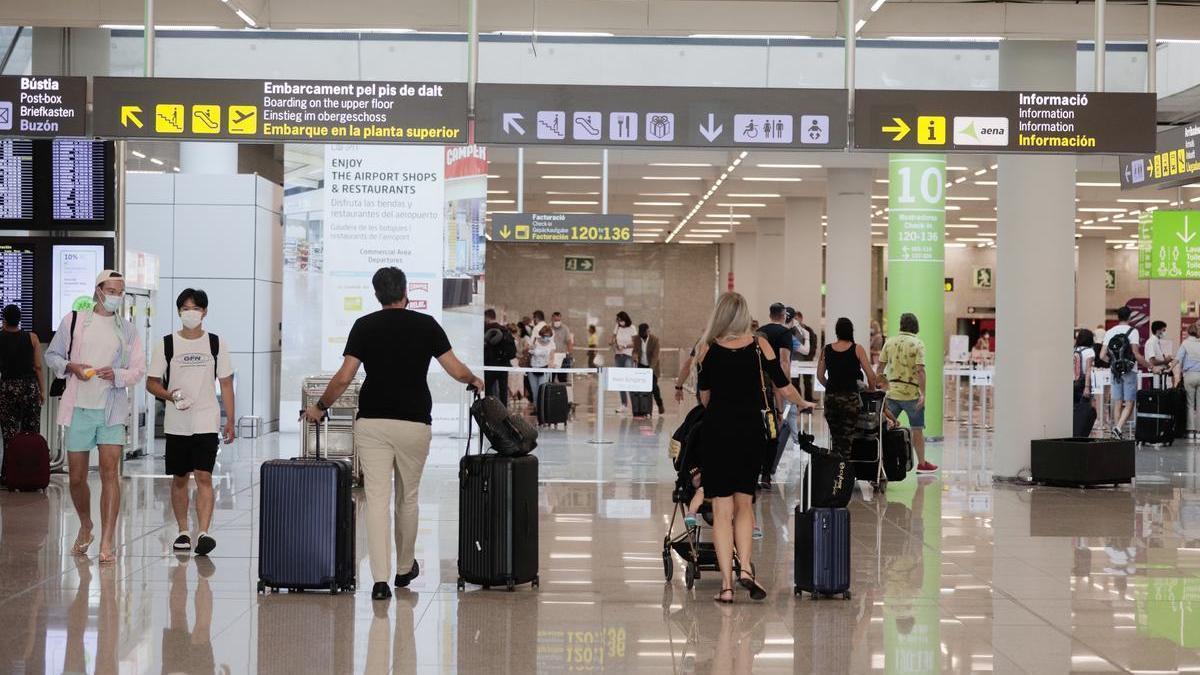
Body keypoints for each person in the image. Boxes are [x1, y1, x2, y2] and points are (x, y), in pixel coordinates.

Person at [302, 267, 483, 602]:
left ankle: (380, 580)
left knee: (376, 500)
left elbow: (344, 378)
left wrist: (321, 406)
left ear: (377, 295)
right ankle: (403, 569)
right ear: (406, 293)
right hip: (414, 423)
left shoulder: (364, 326)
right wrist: (474, 380)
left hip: (373, 423)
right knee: (408, 498)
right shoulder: (426, 325)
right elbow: (454, 368)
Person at [694, 292, 810, 603]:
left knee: (721, 509)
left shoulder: (706, 349)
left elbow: (704, 398)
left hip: (717, 431)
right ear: (745, 315)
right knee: (745, 504)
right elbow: (782, 384)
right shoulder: (761, 345)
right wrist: (804, 402)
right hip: (750, 432)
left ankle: (727, 587)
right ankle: (746, 568)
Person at [45, 270, 146, 564]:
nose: (115, 296)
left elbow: (138, 370)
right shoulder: (74, 321)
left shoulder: (127, 330)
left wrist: (116, 374)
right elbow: (52, 356)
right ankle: (86, 525)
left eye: (120, 291)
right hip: (79, 408)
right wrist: (71, 366)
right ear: (98, 290)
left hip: (111, 409)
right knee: (76, 477)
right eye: (111, 290)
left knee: (109, 473)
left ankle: (107, 541)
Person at [145, 289, 235, 557]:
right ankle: (184, 530)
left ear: (204, 311)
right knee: (180, 477)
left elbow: (226, 383)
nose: (190, 313)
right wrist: (168, 396)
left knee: (205, 476)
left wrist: (230, 419)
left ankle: (204, 532)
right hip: (176, 423)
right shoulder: (166, 344)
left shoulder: (216, 344)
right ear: (178, 312)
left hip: (206, 420)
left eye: (195, 308)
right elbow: (151, 382)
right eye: (184, 308)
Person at [876, 312, 938, 474]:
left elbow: (880, 368)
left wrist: (881, 387)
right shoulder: (918, 344)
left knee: (884, 427)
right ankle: (922, 464)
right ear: (916, 326)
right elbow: (921, 370)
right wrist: (923, 393)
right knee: (917, 429)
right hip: (912, 395)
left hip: (892, 393)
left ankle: (880, 461)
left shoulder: (889, 342)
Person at [817, 318, 878, 460]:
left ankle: (835, 472)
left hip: (831, 399)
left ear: (837, 332)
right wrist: (871, 390)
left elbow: (820, 376)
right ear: (851, 331)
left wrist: (832, 387)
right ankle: (844, 475)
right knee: (847, 440)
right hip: (850, 400)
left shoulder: (826, 350)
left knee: (836, 439)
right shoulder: (857, 349)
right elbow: (871, 375)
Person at [1100, 306, 1154, 439]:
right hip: (1130, 371)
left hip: (1115, 372)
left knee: (1117, 401)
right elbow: (1135, 354)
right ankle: (1118, 428)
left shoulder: (1110, 331)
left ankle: (1118, 431)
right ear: (1129, 317)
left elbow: (1102, 355)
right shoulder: (1133, 331)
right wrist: (1150, 366)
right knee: (1130, 402)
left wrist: (1114, 363)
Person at [0, 304, 44, 449]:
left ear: (4, 320)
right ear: (19, 320)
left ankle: (9, 470)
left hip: (7, 388)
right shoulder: (32, 338)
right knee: (31, 434)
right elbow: (38, 367)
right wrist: (42, 390)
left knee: (9, 435)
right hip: (29, 388)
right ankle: (30, 469)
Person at [483, 309, 516, 406]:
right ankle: (504, 413)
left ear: (487, 317)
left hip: (490, 364)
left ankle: (490, 410)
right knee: (503, 390)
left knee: (488, 389)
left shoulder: (485, 329)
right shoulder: (504, 330)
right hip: (503, 365)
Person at [1172, 322, 1200, 433]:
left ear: (1188, 332)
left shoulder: (1185, 343)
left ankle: (1190, 428)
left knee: (1190, 403)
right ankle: (1199, 429)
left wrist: (1170, 369)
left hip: (1190, 375)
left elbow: (1178, 358)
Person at [632, 322, 665, 415]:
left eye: (645, 333)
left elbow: (655, 356)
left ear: (648, 331)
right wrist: (634, 356)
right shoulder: (637, 339)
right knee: (644, 389)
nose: (643, 336)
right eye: (641, 334)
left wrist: (650, 369)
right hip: (641, 366)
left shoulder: (655, 340)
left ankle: (660, 404)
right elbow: (635, 350)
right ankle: (646, 411)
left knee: (653, 387)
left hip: (652, 367)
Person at [610, 311, 636, 413]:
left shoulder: (632, 328)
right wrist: (613, 343)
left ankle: (634, 404)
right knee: (620, 381)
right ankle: (623, 403)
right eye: (618, 320)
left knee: (628, 379)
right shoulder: (617, 327)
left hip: (628, 355)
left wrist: (624, 346)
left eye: (620, 320)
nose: (619, 322)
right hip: (618, 355)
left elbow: (635, 342)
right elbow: (613, 338)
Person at [528, 324, 556, 417]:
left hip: (544, 369)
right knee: (534, 391)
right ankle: (536, 408)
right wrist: (530, 350)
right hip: (533, 368)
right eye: (545, 336)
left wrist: (551, 366)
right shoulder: (535, 340)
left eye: (548, 336)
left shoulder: (552, 344)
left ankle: (542, 410)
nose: (546, 338)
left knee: (542, 391)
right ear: (541, 334)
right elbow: (528, 351)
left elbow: (552, 357)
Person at [795, 310, 819, 404]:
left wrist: (809, 356)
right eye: (794, 319)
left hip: (806, 361)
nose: (795, 321)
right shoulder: (792, 331)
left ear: (801, 318)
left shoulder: (808, 330)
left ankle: (808, 401)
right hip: (795, 361)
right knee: (795, 382)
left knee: (807, 382)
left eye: (797, 318)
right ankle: (799, 401)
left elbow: (813, 344)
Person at [550, 312, 575, 382]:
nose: (557, 322)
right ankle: (550, 392)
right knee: (551, 378)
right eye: (555, 320)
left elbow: (569, 342)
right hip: (551, 356)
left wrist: (569, 354)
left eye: (559, 320)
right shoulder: (548, 328)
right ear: (552, 319)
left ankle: (562, 392)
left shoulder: (565, 328)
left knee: (562, 378)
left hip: (562, 356)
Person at [1073, 328, 1096, 404]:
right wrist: (1087, 387)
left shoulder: (1074, 349)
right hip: (1082, 383)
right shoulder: (1090, 351)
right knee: (1083, 408)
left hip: (1073, 381)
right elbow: (1088, 369)